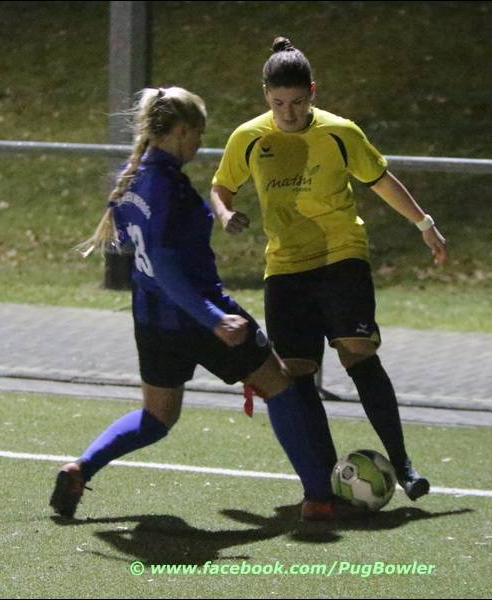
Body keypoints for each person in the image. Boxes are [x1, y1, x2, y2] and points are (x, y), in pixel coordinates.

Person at [50, 86, 335, 522]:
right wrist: (214, 318)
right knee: (279, 384)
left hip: (151, 319)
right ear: (180, 131)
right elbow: (165, 264)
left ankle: (81, 468)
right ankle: (320, 499)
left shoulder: (132, 179)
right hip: (198, 313)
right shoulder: (168, 188)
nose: (200, 142)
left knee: (157, 416)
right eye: (198, 132)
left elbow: (135, 243)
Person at [210, 37, 448, 501]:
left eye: (298, 102)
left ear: (313, 92)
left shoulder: (340, 133)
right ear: (266, 95)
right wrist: (225, 214)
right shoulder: (249, 138)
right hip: (285, 267)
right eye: (279, 103)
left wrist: (424, 224)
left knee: (358, 352)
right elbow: (222, 187)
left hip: (341, 256)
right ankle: (322, 479)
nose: (289, 113)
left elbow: (381, 180)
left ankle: (402, 463)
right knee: (296, 372)